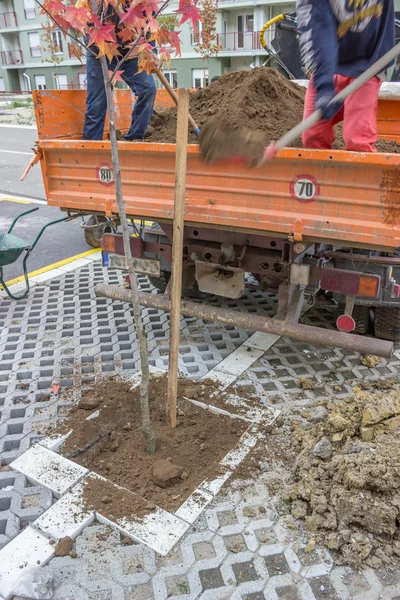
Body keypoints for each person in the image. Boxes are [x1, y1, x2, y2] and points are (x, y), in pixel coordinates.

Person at [297, 0, 395, 152]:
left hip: (368, 66)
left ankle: (364, 175)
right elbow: (318, 32)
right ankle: (323, 174)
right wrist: (324, 86)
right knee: (313, 135)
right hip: (328, 65)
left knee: (358, 140)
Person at [82, 5, 156, 141]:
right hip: (101, 50)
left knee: (148, 89)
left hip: (131, 51)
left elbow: (149, 24)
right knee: (97, 104)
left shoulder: (146, 2)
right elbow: (84, 17)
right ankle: (90, 150)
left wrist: (151, 52)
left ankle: (135, 138)